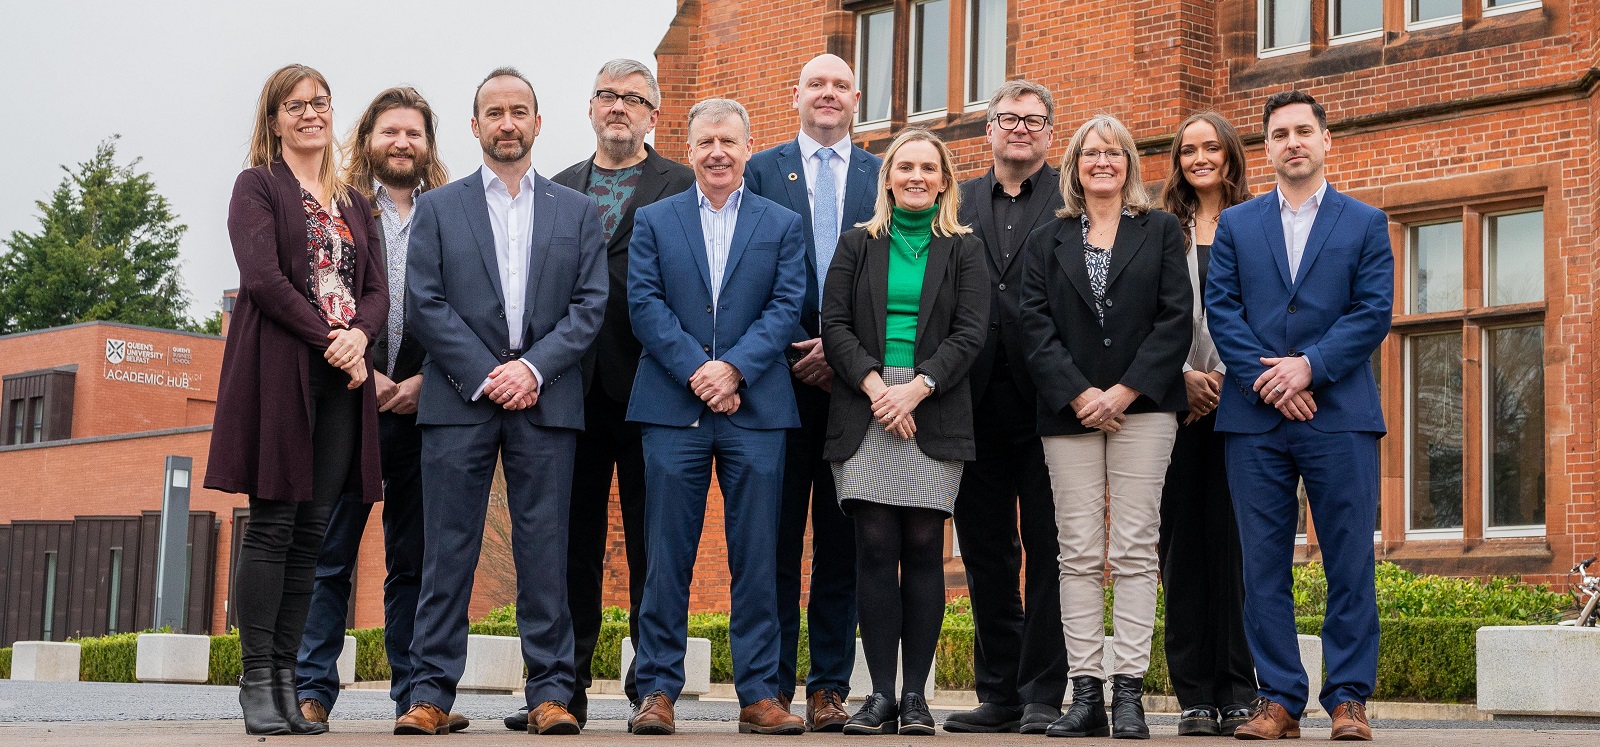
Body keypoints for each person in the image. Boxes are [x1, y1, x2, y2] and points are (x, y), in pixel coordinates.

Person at [397, 67, 607, 736]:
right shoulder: (438, 207)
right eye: (494, 111)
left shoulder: (578, 210)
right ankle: (429, 693)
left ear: (539, 123)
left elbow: (590, 305)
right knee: (446, 551)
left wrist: (533, 369)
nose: (507, 122)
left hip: (546, 402)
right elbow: (423, 303)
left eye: (519, 110)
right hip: (460, 400)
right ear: (475, 125)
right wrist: (489, 372)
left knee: (546, 553)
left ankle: (550, 693)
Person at [512, 58, 693, 732]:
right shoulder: (554, 189)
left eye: (634, 98)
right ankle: (564, 688)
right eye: (608, 96)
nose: (620, 107)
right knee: (569, 548)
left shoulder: (680, 186)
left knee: (653, 547)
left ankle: (652, 687)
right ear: (590, 108)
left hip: (655, 393)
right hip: (568, 397)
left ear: (654, 114)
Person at [207, 63, 388, 736]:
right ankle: (257, 678)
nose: (311, 113)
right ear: (274, 119)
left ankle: (288, 679)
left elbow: (376, 288)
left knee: (313, 531)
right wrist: (333, 339)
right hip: (281, 370)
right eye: (295, 105)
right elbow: (264, 279)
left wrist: (361, 335)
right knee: (275, 523)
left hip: (341, 382)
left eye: (320, 102)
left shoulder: (353, 198)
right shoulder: (256, 187)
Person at [1205, 90, 1392, 742]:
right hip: (1254, 419)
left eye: (1303, 131)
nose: (1292, 142)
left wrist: (1307, 367)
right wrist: (1269, 379)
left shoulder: (1365, 223)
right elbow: (1222, 312)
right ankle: (1279, 698)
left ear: (1326, 139)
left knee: (1348, 560)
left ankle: (1348, 700)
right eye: (1279, 133)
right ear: (1267, 147)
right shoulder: (1236, 225)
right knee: (1261, 565)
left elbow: (1372, 313)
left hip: (1339, 413)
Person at [625, 98, 808, 736]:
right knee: (664, 555)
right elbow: (644, 305)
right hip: (671, 410)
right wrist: (699, 373)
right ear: (690, 147)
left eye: (728, 141)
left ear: (748, 148)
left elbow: (788, 306)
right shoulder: (654, 219)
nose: (717, 153)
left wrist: (733, 370)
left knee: (757, 556)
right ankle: (656, 691)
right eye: (705, 142)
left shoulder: (782, 223)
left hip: (755, 410)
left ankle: (760, 694)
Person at [289, 85, 458, 733]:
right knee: (329, 555)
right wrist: (363, 373)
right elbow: (314, 298)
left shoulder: (449, 213)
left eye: (414, 133)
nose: (402, 142)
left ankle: (414, 695)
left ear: (427, 145)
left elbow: (468, 309)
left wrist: (424, 382)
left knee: (414, 561)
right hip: (348, 404)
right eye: (390, 131)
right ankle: (311, 689)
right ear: (367, 142)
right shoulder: (336, 210)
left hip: (426, 410)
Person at [1017, 114, 1191, 739]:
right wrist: (1081, 394)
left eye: (1114, 152)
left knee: (1136, 551)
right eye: (1091, 153)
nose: (1103, 162)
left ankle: (1129, 696)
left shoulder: (1162, 230)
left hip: (1144, 410)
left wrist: (1123, 390)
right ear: (1074, 165)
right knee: (1080, 554)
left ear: (1129, 165)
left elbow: (1176, 319)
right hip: (1068, 417)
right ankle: (1086, 693)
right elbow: (1033, 327)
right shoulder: (1048, 239)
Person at [821, 128, 989, 736]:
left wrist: (916, 387)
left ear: (944, 180)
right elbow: (834, 325)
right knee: (873, 548)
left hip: (932, 405)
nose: (916, 176)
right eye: (904, 167)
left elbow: (971, 331)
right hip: (865, 406)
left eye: (928, 167)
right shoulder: (856, 245)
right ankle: (880, 696)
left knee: (923, 548)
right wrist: (877, 390)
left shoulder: (965, 249)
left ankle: (916, 697)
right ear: (887, 177)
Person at [743, 53, 881, 731]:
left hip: (857, 387)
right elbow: (744, 271)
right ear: (794, 95)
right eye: (815, 85)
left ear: (857, 97)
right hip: (775, 380)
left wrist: (844, 349)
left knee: (841, 541)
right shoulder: (760, 171)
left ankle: (828, 686)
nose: (827, 95)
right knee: (770, 539)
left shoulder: (884, 175)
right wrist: (798, 343)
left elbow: (898, 282)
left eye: (838, 86)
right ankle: (767, 686)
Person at [944, 79, 1070, 735]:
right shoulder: (954, 202)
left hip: (1052, 403)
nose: (1020, 128)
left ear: (1050, 133)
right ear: (987, 130)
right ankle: (999, 692)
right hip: (971, 402)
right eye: (1007, 118)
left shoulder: (1073, 201)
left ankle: (1045, 692)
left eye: (1033, 119)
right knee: (986, 551)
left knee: (1051, 550)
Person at [1153, 111, 1258, 738]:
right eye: (1187, 149)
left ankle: (1240, 687)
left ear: (1229, 156)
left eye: (1210, 147)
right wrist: (1182, 380)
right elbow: (1147, 317)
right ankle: (1194, 691)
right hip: (1176, 405)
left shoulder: (1256, 222)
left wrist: (1226, 380)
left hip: (1243, 401)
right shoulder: (1163, 229)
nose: (1199, 158)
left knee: (1240, 548)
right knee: (1181, 548)